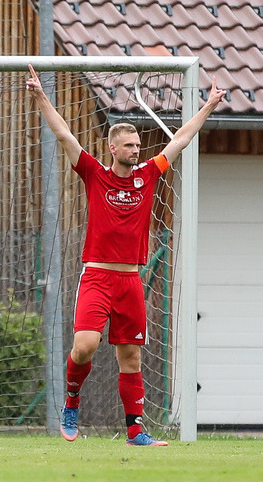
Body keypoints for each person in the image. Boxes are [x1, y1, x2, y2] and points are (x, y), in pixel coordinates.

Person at [26, 65, 226, 446]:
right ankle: (71, 401)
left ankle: (136, 430)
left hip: (130, 280)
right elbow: (63, 133)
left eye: (138, 145)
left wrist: (208, 107)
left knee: (130, 358)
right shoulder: (93, 173)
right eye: (129, 145)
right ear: (112, 148)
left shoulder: (149, 174)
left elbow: (180, 139)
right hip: (97, 277)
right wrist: (40, 97)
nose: (136, 150)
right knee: (84, 346)